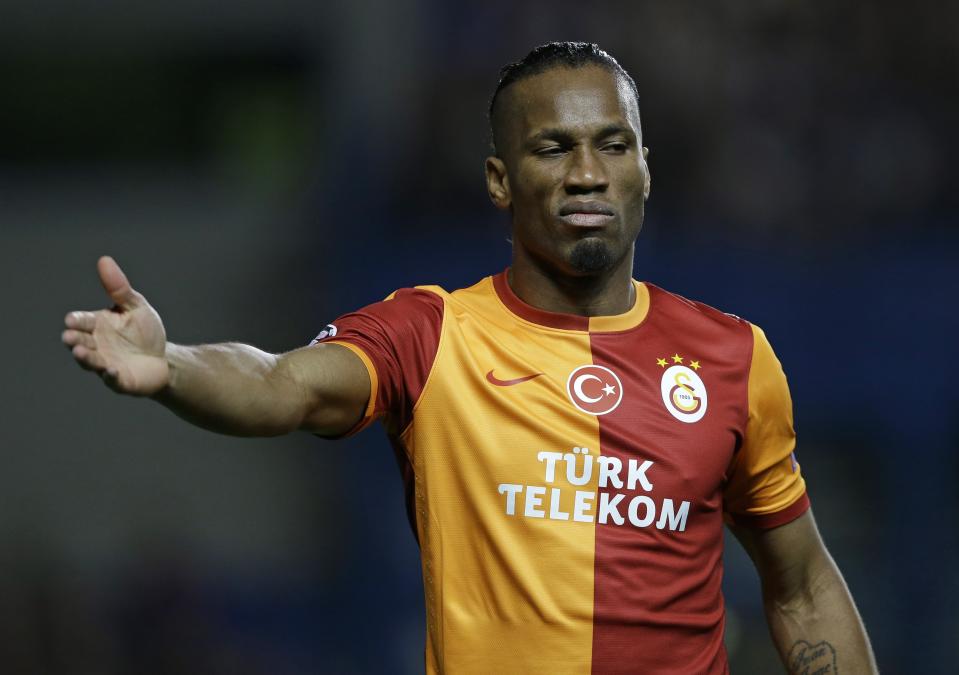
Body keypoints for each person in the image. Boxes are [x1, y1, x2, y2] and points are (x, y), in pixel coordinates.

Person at [62, 42, 877, 674]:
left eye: (612, 145)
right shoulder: (430, 333)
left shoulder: (733, 356)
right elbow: (284, 384)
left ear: (644, 169)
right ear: (498, 179)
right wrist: (172, 366)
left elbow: (801, 584)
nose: (587, 173)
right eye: (552, 148)